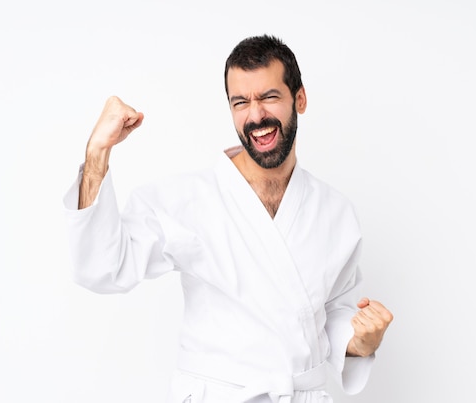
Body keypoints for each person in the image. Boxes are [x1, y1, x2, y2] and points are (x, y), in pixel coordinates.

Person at [63, 34, 393, 403]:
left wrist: (359, 341)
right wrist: (97, 153)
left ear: (299, 98)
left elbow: (330, 314)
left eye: (269, 97)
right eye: (241, 102)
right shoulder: (186, 200)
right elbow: (102, 266)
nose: (255, 116)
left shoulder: (336, 212)